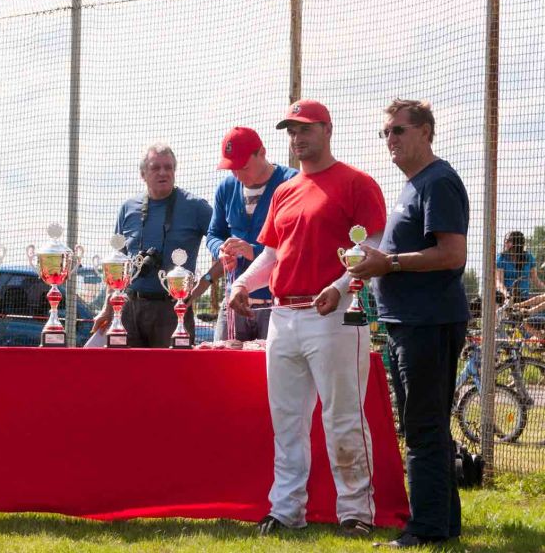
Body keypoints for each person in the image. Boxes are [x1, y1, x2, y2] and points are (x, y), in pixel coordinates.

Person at [227, 99, 386, 538]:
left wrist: (341, 287)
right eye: (292, 131)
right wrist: (243, 285)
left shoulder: (356, 183)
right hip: (284, 314)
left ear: (327, 129)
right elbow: (272, 255)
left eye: (305, 129)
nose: (297, 138)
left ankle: (356, 512)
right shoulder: (285, 190)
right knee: (287, 420)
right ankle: (286, 509)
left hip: (335, 313)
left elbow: (372, 246)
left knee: (343, 416)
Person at [347, 99, 468, 548]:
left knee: (422, 428)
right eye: (386, 133)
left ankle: (425, 529)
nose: (390, 140)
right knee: (427, 425)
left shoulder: (438, 181)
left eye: (398, 130)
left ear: (425, 131)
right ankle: (443, 525)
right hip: (409, 323)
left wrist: (390, 263)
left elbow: (453, 254)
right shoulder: (413, 185)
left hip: (428, 323)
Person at [93, 143, 213, 347]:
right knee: (123, 367)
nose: (163, 173)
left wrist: (202, 285)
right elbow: (117, 264)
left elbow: (225, 249)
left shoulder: (196, 207)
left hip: (173, 310)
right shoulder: (128, 208)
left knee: (172, 368)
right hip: (129, 307)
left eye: (168, 167)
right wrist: (107, 308)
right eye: (155, 168)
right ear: (143, 174)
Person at [204, 126, 297, 344]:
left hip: (277, 304)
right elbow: (213, 234)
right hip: (233, 302)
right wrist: (221, 250)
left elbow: (297, 243)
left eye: (243, 167)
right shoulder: (227, 187)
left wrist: (253, 251)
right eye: (231, 169)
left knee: (271, 366)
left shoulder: (291, 182)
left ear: (262, 153)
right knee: (223, 363)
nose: (237, 175)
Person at [496, 231, 543, 302]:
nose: (506, 242)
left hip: (523, 297)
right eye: (505, 240)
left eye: (509, 241)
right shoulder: (501, 258)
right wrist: (507, 295)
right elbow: (499, 282)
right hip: (504, 297)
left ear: (518, 243)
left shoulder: (528, 258)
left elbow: (535, 279)